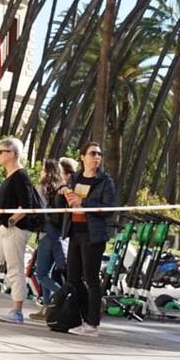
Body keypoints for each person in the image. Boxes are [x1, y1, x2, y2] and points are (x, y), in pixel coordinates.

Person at [63, 141, 117, 337]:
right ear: (82, 157)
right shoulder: (75, 178)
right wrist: (65, 195)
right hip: (74, 232)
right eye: (92, 153)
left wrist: (83, 202)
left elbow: (108, 208)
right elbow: (68, 204)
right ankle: (83, 316)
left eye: (99, 154)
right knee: (73, 278)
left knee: (92, 279)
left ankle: (92, 323)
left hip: (93, 235)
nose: (97, 157)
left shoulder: (105, 181)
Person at [0, 137, 35, 324]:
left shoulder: (21, 176)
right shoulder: (9, 177)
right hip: (2, 229)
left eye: (2, 151)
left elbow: (26, 205)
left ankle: (17, 310)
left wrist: (10, 221)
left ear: (13, 153)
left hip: (14, 229)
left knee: (14, 267)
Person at [31, 158, 71, 310]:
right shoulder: (61, 188)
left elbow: (37, 208)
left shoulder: (42, 187)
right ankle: (47, 308)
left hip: (46, 233)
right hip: (58, 234)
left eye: (42, 169)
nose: (41, 172)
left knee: (41, 274)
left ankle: (64, 294)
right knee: (47, 272)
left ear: (47, 171)